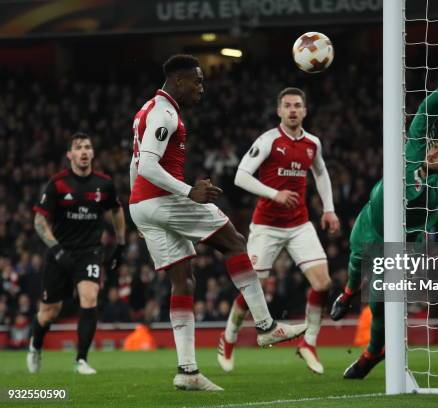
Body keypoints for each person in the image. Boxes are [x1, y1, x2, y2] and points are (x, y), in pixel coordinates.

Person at [128, 54, 306, 391]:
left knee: (184, 283)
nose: (201, 88)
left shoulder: (146, 109)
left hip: (144, 204)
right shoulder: (165, 113)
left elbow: (135, 164)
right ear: (178, 81)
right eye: (197, 81)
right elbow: (149, 165)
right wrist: (188, 191)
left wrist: (136, 207)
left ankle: (188, 371)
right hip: (164, 200)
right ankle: (266, 326)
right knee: (234, 242)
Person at [330, 59, 438, 379]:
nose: (437, 149)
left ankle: (372, 352)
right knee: (354, 256)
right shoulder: (413, 151)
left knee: (378, 306)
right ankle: (348, 292)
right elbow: (424, 111)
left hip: (400, 246)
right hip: (370, 221)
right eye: (436, 144)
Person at [217, 87, 340, 375]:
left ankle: (308, 344)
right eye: (287, 106)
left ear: (305, 110)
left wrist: (329, 208)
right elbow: (240, 176)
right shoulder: (268, 140)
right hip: (266, 226)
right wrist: (274, 194)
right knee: (252, 289)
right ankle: (228, 338)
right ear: (279, 111)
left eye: (298, 105)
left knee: (322, 284)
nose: (293, 110)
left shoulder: (312, 143)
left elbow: (320, 173)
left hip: (299, 224)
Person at [27, 132, 126, 375]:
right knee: (49, 312)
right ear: (70, 155)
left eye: (87, 147)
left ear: (92, 153)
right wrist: (56, 249)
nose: (83, 151)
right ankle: (35, 345)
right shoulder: (57, 183)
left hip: (89, 252)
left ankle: (81, 360)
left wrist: (120, 245)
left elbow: (117, 210)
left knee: (89, 298)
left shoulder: (104, 184)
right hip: (60, 252)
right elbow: (40, 221)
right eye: (78, 147)